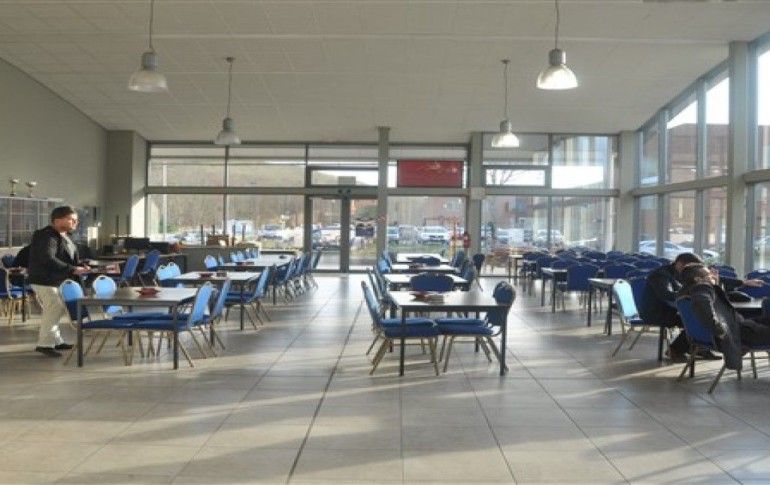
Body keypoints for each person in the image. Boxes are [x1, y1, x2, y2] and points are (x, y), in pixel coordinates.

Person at [639, 252, 763, 362]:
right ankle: (677, 349)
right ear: (680, 264)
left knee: (702, 315)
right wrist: (694, 293)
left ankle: (699, 348)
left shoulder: (682, 272)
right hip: (658, 312)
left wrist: (743, 282)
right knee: (699, 318)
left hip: (674, 310)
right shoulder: (661, 275)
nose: (695, 270)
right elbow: (666, 295)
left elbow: (710, 278)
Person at [679, 263, 770, 371]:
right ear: (698, 279)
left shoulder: (686, 291)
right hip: (739, 332)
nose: (712, 276)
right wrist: (721, 332)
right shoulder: (702, 289)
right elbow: (703, 306)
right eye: (708, 274)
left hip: (739, 326)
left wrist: (715, 285)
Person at [28, 206, 90, 357]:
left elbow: (66, 257)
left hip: (56, 280)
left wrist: (80, 266)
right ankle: (45, 344)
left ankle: (56, 340)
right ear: (57, 220)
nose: (75, 222)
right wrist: (72, 269)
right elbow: (47, 258)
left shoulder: (64, 236)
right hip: (44, 280)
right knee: (54, 307)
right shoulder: (46, 235)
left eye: (76, 220)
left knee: (57, 308)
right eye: (71, 219)